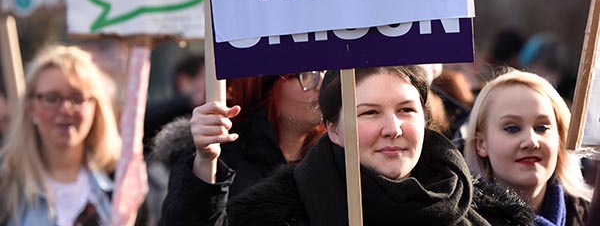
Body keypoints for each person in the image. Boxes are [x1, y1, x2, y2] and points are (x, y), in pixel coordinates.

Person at [189, 66, 533, 225]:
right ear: (333, 129)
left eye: (406, 110)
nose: (393, 129)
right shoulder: (276, 216)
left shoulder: (490, 214)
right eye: (369, 113)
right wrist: (205, 161)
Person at [155, 71, 326, 225]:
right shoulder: (210, 156)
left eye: (326, 72)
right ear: (267, 87)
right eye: (308, 75)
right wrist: (205, 162)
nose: (322, 84)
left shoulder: (334, 157)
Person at [0, 45, 122, 225]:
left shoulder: (123, 182)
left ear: (95, 107)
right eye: (51, 98)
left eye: (77, 98)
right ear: (31, 107)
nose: (65, 109)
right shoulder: (6, 183)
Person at [464, 69, 594, 225]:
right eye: (512, 128)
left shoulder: (591, 216)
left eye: (542, 128)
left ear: (560, 138)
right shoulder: (459, 218)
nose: (531, 141)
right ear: (481, 144)